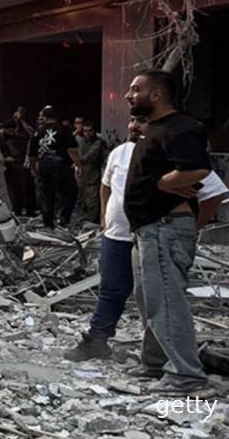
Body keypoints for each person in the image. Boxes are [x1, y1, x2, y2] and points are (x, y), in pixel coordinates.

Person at [64, 116, 228, 363]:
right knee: (111, 289)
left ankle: (164, 358)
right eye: (131, 120)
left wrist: (191, 228)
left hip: (153, 237)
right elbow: (106, 185)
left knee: (155, 299)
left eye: (141, 121)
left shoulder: (171, 154)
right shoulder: (120, 152)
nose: (132, 126)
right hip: (117, 236)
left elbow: (214, 193)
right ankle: (98, 340)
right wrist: (104, 217)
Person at [123, 70, 215, 395]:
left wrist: (164, 183)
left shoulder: (181, 127)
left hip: (166, 229)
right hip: (148, 230)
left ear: (158, 94)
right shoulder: (153, 129)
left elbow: (199, 168)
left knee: (166, 300)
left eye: (136, 89)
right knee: (149, 299)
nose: (128, 95)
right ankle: (155, 364)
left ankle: (186, 374)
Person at [28, 106, 81, 230]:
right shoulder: (64, 129)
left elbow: (32, 156)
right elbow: (71, 150)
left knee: (47, 195)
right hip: (61, 166)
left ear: (45, 118)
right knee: (69, 193)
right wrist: (78, 164)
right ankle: (63, 220)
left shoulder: (38, 133)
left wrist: (33, 169)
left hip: (44, 166)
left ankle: (48, 223)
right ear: (56, 117)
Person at [0, 119, 33, 217]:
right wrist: (5, 159)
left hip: (13, 165)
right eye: (11, 130)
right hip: (6, 166)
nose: (13, 133)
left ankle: (17, 210)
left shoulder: (10, 136)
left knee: (18, 189)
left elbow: (27, 135)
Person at [78, 123, 108, 223]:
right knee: (85, 201)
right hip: (85, 177)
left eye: (90, 130)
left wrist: (76, 162)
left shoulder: (98, 143)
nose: (88, 133)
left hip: (94, 177)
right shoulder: (84, 143)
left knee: (93, 202)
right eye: (85, 131)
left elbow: (89, 157)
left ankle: (92, 223)